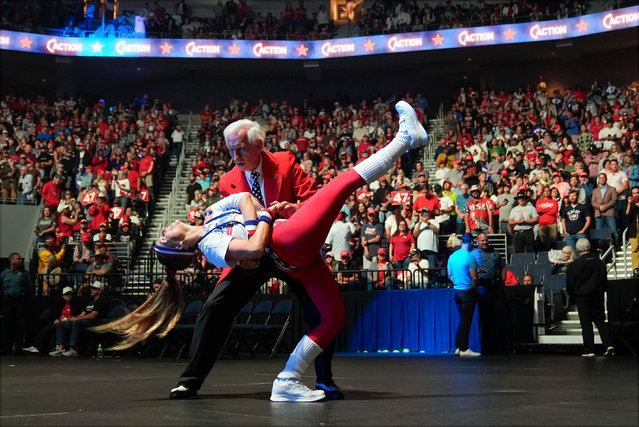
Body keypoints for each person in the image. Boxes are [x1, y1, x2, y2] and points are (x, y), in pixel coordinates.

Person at [96, 101, 427, 401]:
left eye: (240, 149)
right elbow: (243, 230)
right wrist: (261, 223)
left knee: (320, 313)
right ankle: (190, 380)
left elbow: (311, 203)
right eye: (230, 150)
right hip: (253, 253)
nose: (235, 157)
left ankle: (324, 380)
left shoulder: (284, 162)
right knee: (215, 308)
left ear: (259, 145)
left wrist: (290, 209)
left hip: (288, 240)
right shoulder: (227, 183)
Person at [567, 238, 614, 357]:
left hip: (582, 296)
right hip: (597, 294)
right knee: (600, 320)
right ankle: (609, 344)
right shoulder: (599, 262)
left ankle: (589, 349)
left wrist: (572, 294)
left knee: (586, 322)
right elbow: (604, 278)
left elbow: (571, 282)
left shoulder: (576, 264)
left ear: (577, 250)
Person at [471, 232, 509, 354]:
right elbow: (469, 270)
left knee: (497, 316)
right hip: (481, 286)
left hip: (495, 287)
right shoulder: (473, 254)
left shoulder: (495, 253)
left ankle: (499, 346)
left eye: (486, 240)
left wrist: (502, 281)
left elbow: (503, 267)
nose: (485, 242)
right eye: (482, 240)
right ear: (477, 242)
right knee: (484, 318)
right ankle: (486, 346)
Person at [50, 281, 109, 357]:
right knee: (61, 324)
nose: (91, 290)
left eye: (94, 288)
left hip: (95, 323)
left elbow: (92, 316)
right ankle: (60, 348)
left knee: (76, 323)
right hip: (85, 322)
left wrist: (76, 320)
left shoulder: (101, 301)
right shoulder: (91, 302)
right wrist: (72, 319)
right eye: (91, 288)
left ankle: (73, 348)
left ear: (100, 291)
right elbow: (82, 313)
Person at [447, 233, 480, 357]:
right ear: (471, 242)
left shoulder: (452, 257)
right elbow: (475, 277)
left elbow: (450, 275)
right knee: (466, 321)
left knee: (462, 320)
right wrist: (474, 290)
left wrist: (458, 282)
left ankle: (458, 347)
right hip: (467, 291)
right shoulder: (470, 257)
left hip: (457, 291)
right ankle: (464, 349)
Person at [23, 287, 82, 355]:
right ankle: (36, 346)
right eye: (67, 294)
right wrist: (56, 319)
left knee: (49, 328)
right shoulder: (60, 304)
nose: (68, 296)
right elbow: (55, 313)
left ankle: (38, 346)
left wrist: (66, 319)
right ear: (63, 296)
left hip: (68, 323)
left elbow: (75, 316)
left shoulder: (75, 305)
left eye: (70, 294)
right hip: (59, 322)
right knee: (46, 328)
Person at [0, 253, 30, 354]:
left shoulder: (24, 274)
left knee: (19, 326)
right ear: (12, 260)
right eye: (18, 259)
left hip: (19, 301)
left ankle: (18, 348)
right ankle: (6, 347)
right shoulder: (4, 274)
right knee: (6, 325)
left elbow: (28, 287)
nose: (20, 261)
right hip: (8, 301)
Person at [591, 172, 619, 247]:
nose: (602, 179)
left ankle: (616, 246)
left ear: (606, 179)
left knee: (613, 231)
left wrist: (605, 206)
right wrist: (599, 206)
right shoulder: (595, 190)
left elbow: (614, 200)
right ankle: (602, 248)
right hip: (599, 213)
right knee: (600, 233)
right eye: (600, 178)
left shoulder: (612, 189)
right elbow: (593, 202)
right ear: (598, 180)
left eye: (604, 178)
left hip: (609, 212)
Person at [625, 186, 639, 277]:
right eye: (633, 193)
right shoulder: (631, 204)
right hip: (633, 228)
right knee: (635, 248)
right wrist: (629, 203)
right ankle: (635, 268)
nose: (635, 195)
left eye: (637, 193)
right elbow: (627, 214)